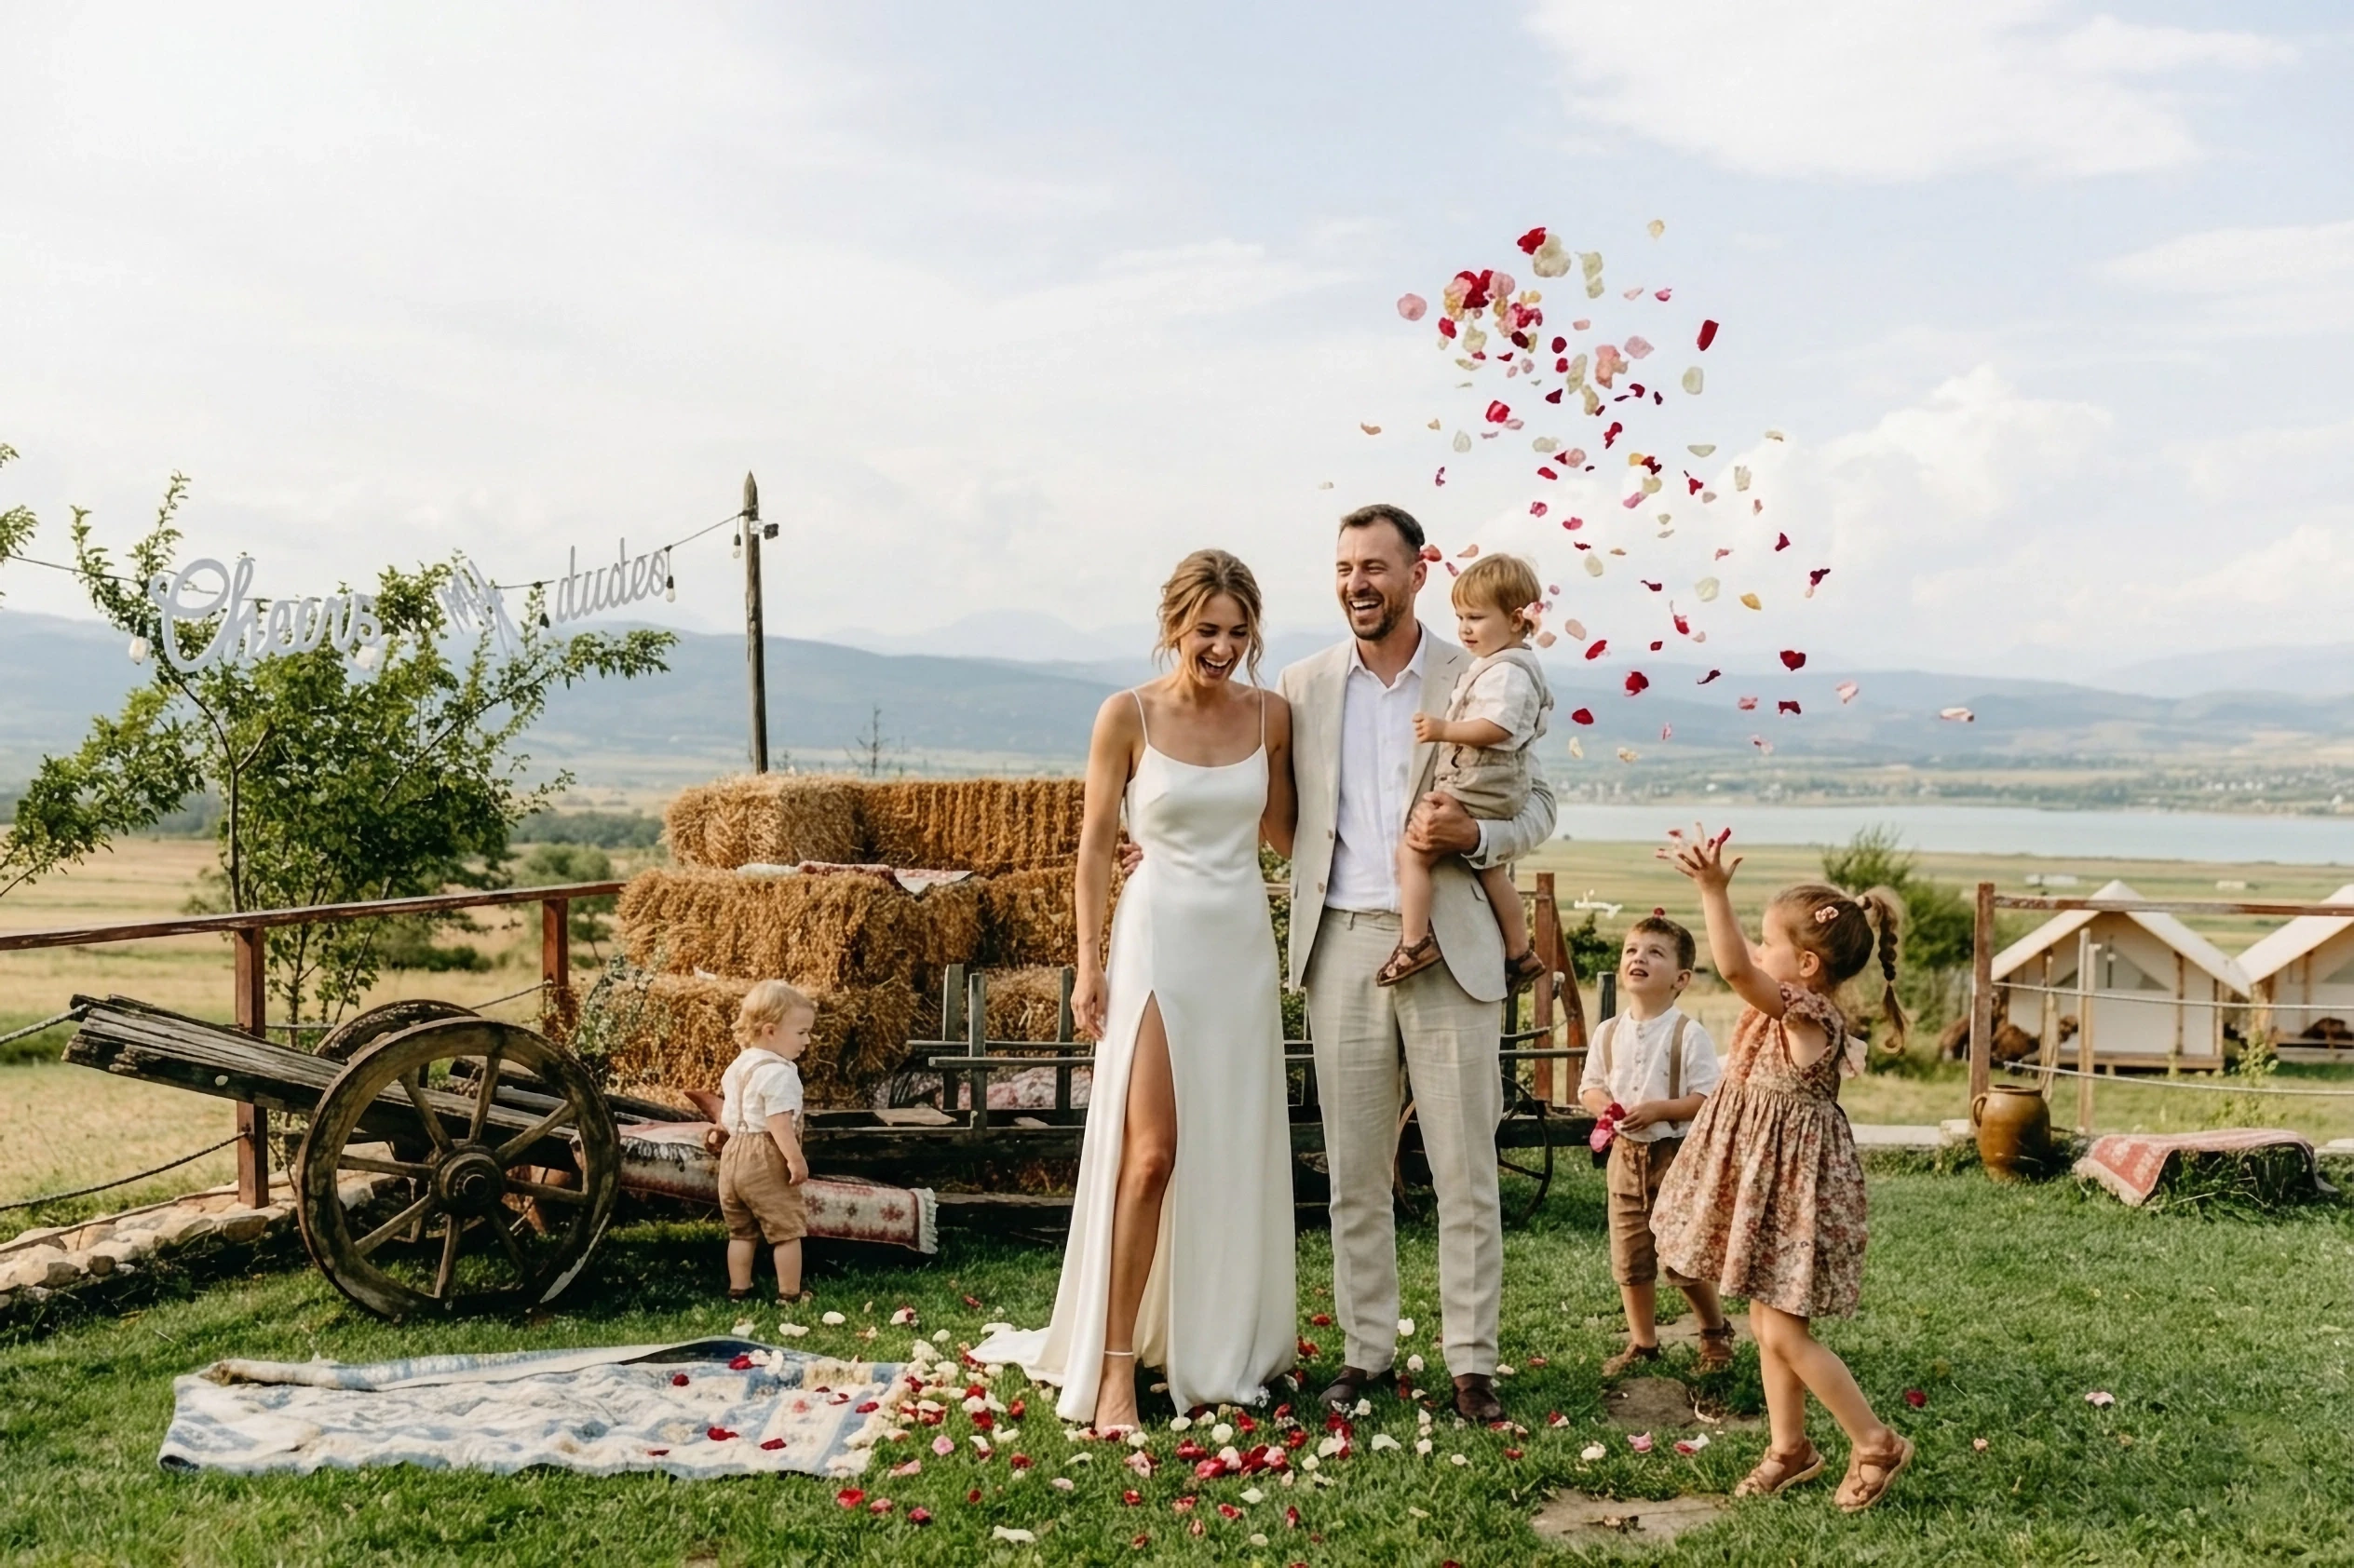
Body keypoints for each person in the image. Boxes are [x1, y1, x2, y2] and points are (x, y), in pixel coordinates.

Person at [971, 549, 1299, 1432]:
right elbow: (1091, 849)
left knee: (1227, 1152)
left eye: (1237, 632)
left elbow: (1290, 836)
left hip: (1239, 951)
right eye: (1207, 630)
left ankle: (1214, 1345)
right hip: (1155, 940)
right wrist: (1088, 963)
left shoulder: (1273, 718)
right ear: (1174, 627)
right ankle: (1115, 1370)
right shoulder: (1127, 715)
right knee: (1149, 1157)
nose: (1222, 646)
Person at [1280, 503, 1558, 1425]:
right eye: (1343, 566)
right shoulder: (1301, 683)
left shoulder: (1477, 671)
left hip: (1454, 946)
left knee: (1462, 1168)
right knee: (1355, 1170)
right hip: (1341, 944)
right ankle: (1365, 1353)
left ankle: (1471, 1361)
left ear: (1415, 573)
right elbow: (1269, 805)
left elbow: (1538, 805)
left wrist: (1477, 832)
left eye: (1374, 566)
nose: (1356, 582)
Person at [1651, 828, 1914, 1512]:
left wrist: (1712, 890)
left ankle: (1875, 1442)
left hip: (1794, 1195)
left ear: (1804, 963)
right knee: (1767, 1326)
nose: (1759, 955)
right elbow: (1749, 965)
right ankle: (1790, 1449)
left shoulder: (1809, 1015)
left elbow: (1737, 971)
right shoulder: (1789, 1004)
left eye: (1771, 946)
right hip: (1770, 1188)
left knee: (1785, 1332)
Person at [1377, 551, 1553, 993]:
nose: (1464, 629)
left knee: (1414, 850)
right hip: (1491, 784)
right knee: (1490, 869)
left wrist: (1444, 729)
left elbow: (1498, 727)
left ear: (1516, 620)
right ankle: (1519, 951)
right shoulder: (1503, 665)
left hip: (1481, 781)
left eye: (1475, 617)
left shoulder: (1507, 672)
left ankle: (1415, 941)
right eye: (1460, 617)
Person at [1576, 913, 1734, 1375]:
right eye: (1631, 951)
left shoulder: (1688, 1033)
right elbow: (1589, 1086)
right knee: (1631, 1256)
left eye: (1654, 953)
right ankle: (1643, 1342)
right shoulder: (1607, 1032)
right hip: (1624, 1159)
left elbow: (1707, 1098)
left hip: (1675, 1157)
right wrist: (1602, 1104)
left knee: (1681, 1256)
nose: (1638, 958)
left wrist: (1661, 1109)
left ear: (1681, 979)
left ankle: (1713, 1330)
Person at [711, 980, 812, 1304]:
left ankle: (739, 1289)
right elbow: (778, 1122)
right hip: (764, 1153)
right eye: (801, 1033)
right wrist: (795, 1160)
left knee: (740, 1231)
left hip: (732, 1155)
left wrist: (718, 1132)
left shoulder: (738, 1067)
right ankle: (789, 1294)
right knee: (787, 1230)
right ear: (771, 1030)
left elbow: (729, 1115)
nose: (807, 1041)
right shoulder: (780, 1072)